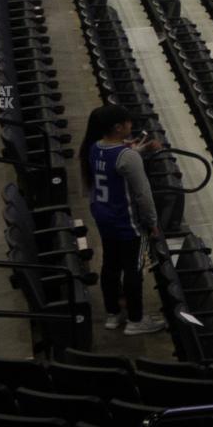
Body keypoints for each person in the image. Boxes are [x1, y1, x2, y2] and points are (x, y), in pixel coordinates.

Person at [82, 104, 166, 334]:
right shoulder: (127, 156)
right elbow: (143, 195)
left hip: (104, 218)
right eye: (128, 123)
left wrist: (141, 151)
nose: (131, 126)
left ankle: (113, 314)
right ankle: (136, 321)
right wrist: (152, 223)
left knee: (110, 265)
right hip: (128, 223)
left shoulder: (93, 148)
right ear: (118, 127)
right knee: (133, 269)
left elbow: (118, 162)